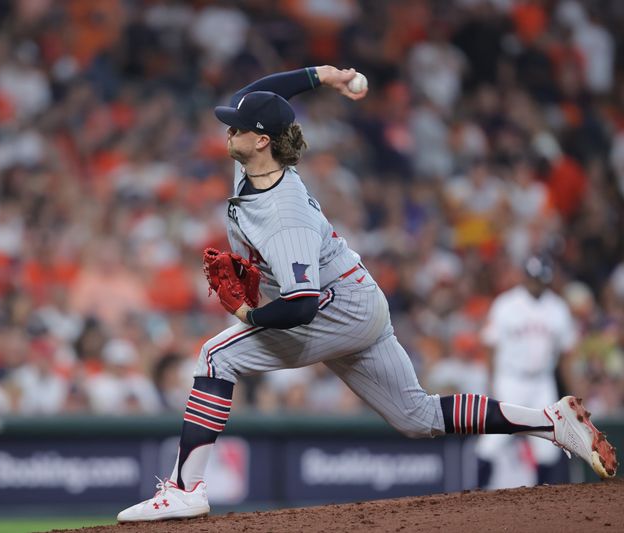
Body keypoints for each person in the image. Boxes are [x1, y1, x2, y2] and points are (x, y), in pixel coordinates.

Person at [116, 67, 618, 522]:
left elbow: (302, 305)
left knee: (215, 355)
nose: (228, 129)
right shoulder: (253, 164)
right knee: (416, 417)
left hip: (335, 307)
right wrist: (323, 75)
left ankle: (185, 488)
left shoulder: (283, 212)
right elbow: (258, 94)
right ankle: (549, 422)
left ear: (263, 140)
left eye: (238, 127)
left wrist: (247, 311)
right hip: (357, 298)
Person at [476, 255, 577, 488]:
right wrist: (490, 383)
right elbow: (491, 346)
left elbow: (566, 354)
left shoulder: (557, 308)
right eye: (532, 278)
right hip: (511, 379)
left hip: (542, 381)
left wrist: (572, 393)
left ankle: (539, 504)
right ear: (524, 277)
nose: (535, 283)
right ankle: (474, 496)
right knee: (493, 439)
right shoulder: (506, 304)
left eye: (539, 279)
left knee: (547, 447)